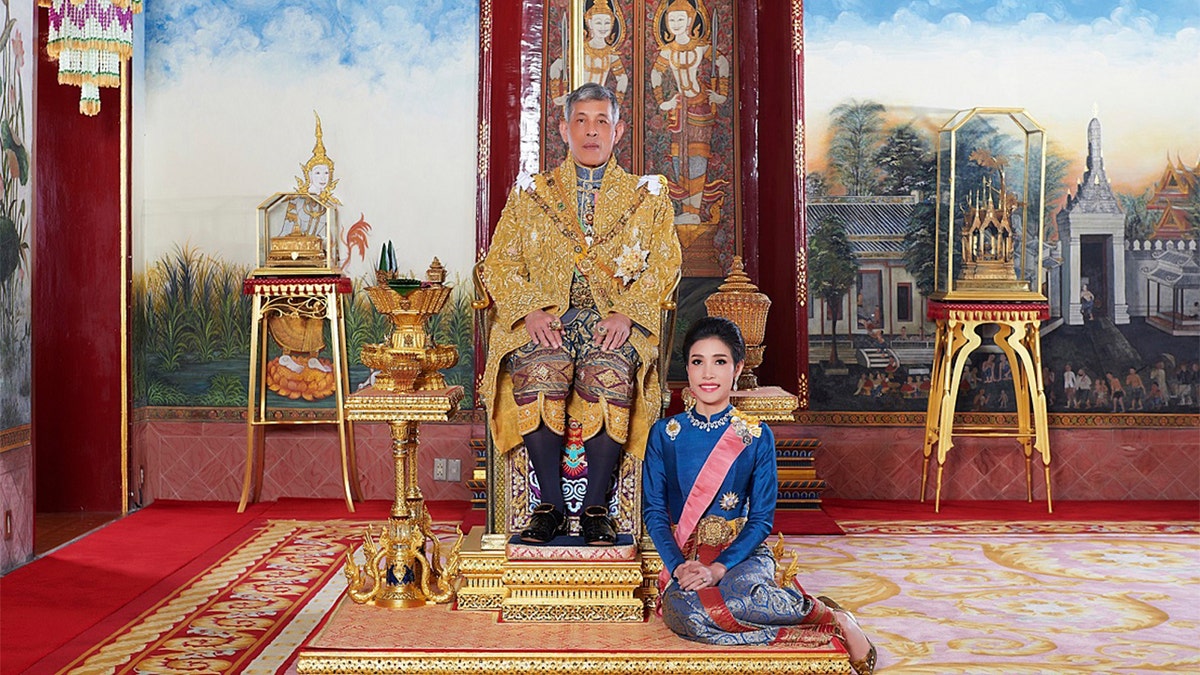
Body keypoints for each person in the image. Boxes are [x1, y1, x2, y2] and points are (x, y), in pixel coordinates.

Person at [480, 82, 682, 546]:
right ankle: (548, 506)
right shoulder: (532, 194)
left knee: (608, 369)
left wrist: (628, 313)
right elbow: (499, 262)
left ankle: (596, 510)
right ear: (563, 129)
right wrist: (529, 309)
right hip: (549, 318)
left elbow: (666, 264)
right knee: (539, 365)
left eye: (602, 121)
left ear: (619, 131)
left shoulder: (645, 198)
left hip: (615, 320)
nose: (591, 131)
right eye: (581, 121)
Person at [642, 317, 876, 673]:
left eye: (719, 361)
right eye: (697, 361)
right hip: (688, 552)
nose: (708, 373)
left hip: (743, 552)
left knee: (741, 600)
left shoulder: (755, 436)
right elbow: (655, 512)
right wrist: (678, 567)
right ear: (686, 369)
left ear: (736, 369)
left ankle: (832, 616)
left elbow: (761, 519)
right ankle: (806, 626)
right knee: (685, 614)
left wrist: (720, 567)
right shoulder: (665, 434)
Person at [651, 0, 730, 225]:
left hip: (701, 107)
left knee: (697, 158)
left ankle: (694, 211)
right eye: (672, 19)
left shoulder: (700, 47)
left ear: (690, 21)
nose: (676, 23)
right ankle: (686, 210)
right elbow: (656, 74)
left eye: (680, 19)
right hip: (679, 109)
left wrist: (721, 94)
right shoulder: (667, 51)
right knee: (679, 158)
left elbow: (723, 64)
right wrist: (662, 101)